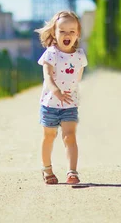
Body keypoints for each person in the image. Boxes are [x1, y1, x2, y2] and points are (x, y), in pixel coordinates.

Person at [34, 10, 88, 185]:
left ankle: (72, 171)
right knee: (49, 136)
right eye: (62, 31)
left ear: (77, 34)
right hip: (50, 103)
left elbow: (77, 78)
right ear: (54, 34)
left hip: (69, 104)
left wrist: (70, 93)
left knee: (69, 136)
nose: (67, 35)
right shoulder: (51, 53)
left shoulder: (80, 56)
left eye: (72, 31)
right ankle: (47, 169)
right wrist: (56, 90)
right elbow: (48, 76)